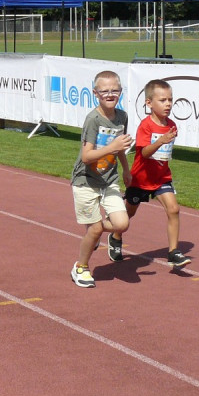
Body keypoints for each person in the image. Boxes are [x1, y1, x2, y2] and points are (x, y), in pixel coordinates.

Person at [112, 79, 191, 269]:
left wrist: (165, 143)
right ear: (149, 103)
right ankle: (115, 237)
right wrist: (161, 141)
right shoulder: (145, 126)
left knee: (173, 209)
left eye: (170, 100)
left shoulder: (171, 124)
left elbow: (165, 154)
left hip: (161, 178)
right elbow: (144, 153)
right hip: (140, 179)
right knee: (129, 213)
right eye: (163, 100)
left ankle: (173, 252)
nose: (168, 104)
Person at [69, 70, 133, 288]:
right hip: (85, 181)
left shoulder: (122, 116)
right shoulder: (93, 120)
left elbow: (121, 147)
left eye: (114, 90)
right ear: (96, 93)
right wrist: (111, 147)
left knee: (122, 224)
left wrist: (126, 169)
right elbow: (86, 156)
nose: (110, 94)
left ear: (121, 92)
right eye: (104, 91)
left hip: (110, 180)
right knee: (95, 229)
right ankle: (81, 267)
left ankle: (93, 236)